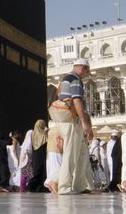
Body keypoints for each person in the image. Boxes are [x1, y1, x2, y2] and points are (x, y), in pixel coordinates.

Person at [52, 59, 94, 195]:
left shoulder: (65, 79)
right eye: (87, 70)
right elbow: (77, 100)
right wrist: (84, 122)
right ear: (82, 67)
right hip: (72, 120)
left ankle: (78, 186)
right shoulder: (75, 79)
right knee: (70, 153)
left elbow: (56, 96)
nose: (87, 73)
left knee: (81, 153)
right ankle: (62, 186)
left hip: (65, 119)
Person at [26, 119, 48, 192]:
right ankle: (31, 186)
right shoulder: (44, 134)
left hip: (35, 156)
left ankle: (36, 187)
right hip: (42, 156)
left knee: (37, 171)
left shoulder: (33, 135)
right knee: (42, 172)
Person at [45, 125, 62, 193]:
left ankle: (51, 184)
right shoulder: (60, 129)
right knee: (59, 168)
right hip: (57, 151)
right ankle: (53, 183)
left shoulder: (52, 130)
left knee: (52, 169)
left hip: (50, 152)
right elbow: (61, 141)